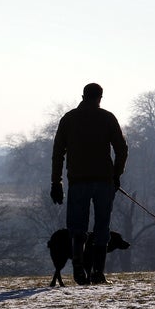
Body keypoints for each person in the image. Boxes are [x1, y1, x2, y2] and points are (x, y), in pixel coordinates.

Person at [50, 83, 128, 285]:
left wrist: (56, 181)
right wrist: (116, 175)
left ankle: (78, 269)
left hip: (78, 181)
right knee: (102, 227)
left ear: (83, 96)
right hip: (104, 181)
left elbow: (58, 152)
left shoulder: (69, 119)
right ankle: (98, 272)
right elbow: (121, 149)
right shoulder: (107, 118)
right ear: (100, 97)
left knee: (77, 227)